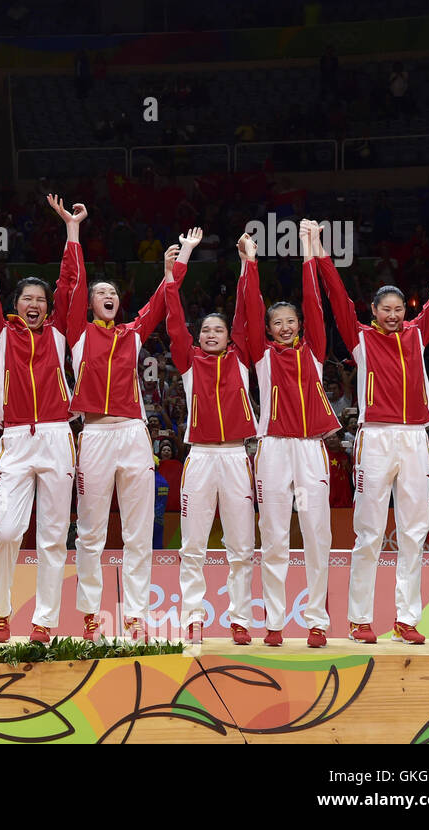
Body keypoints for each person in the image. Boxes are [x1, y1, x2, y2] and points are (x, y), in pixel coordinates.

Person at [315, 207, 429, 644]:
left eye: (397, 309)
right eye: (384, 309)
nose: (392, 315)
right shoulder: (360, 338)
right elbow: (336, 297)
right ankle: (359, 619)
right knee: (368, 533)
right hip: (375, 439)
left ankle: (406, 618)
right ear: (372, 311)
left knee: (414, 531)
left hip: (413, 440)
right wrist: (319, 255)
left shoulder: (417, 333)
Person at [62, 206, 182, 642]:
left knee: (138, 531)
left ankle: (134, 613)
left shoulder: (132, 334)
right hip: (93, 434)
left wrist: (171, 269)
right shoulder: (77, 333)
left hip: (133, 434)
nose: (107, 295)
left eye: (112, 291)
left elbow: (161, 302)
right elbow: (72, 286)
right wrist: (73, 231)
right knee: (90, 532)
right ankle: (90, 612)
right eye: (100, 292)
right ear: (91, 304)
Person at [0, 196, 80, 643]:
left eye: (41, 298)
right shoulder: (2, 335)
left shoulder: (61, 334)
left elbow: (72, 285)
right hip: (16, 440)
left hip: (58, 436)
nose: (35, 304)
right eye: (27, 298)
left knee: (55, 538)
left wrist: (71, 229)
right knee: (6, 530)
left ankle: (44, 621)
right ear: (17, 304)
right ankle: (1, 611)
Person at [242, 220, 339, 648]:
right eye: (276, 322)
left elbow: (315, 302)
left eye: (290, 320)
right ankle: (276, 623)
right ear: (268, 329)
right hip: (274, 448)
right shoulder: (261, 356)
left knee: (318, 535)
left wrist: (307, 250)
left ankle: (317, 621)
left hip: (311, 447)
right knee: (275, 536)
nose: (284, 326)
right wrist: (250, 265)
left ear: (300, 324)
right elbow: (247, 310)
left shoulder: (315, 350)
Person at [166, 235, 257, 645]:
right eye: (205, 329)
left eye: (218, 330)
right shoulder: (189, 361)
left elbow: (248, 312)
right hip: (200, 458)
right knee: (193, 546)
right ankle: (192, 618)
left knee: (241, 546)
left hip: (237, 457)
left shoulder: (242, 357)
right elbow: (172, 312)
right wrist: (179, 261)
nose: (211, 334)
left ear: (228, 336)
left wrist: (247, 263)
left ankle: (239, 618)